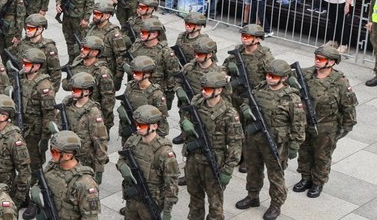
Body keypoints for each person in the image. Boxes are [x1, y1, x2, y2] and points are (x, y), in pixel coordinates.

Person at [234, 60, 306, 220]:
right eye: (268, 75)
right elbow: (247, 101)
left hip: (276, 144)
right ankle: (252, 196)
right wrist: (245, 107)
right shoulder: (260, 88)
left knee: (276, 175)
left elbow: (299, 124)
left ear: (285, 77)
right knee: (253, 169)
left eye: (274, 76)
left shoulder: (291, 98)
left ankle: (276, 204)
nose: (270, 78)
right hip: (254, 138)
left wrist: (294, 145)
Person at [293, 45, 357, 200]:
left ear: (332, 62)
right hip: (304, 122)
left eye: (321, 59)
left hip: (326, 125)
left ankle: (318, 182)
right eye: (316, 58)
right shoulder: (306, 74)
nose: (317, 61)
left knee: (322, 155)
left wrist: (346, 127)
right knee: (304, 151)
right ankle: (305, 177)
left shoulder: (339, 81)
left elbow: (348, 105)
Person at [182, 70, 242, 220]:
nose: (204, 92)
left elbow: (236, 144)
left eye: (207, 89)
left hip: (214, 161)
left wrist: (228, 170)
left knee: (215, 203)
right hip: (194, 158)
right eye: (202, 88)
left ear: (219, 90)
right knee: (194, 197)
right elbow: (185, 117)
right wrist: (184, 123)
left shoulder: (229, 113)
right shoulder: (196, 102)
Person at [116, 105, 179, 220]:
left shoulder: (164, 152)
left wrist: (167, 211)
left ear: (154, 126)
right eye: (137, 124)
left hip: (151, 201)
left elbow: (172, 183)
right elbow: (121, 158)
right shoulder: (132, 141)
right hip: (132, 198)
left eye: (142, 125)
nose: (138, 128)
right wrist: (122, 166)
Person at [27, 131, 101, 220]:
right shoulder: (54, 165)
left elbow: (90, 218)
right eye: (51, 149)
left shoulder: (85, 183)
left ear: (68, 156)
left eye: (55, 152)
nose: (51, 153)